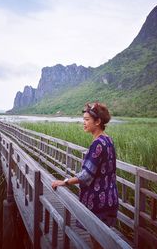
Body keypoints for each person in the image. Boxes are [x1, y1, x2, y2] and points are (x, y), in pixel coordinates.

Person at [51, 102, 119, 248]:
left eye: (87, 119)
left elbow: (86, 176)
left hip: (98, 201)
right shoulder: (108, 140)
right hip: (110, 197)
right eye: (84, 119)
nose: (84, 123)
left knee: (97, 242)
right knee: (102, 241)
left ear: (98, 121)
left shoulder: (97, 144)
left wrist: (65, 182)